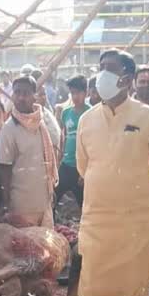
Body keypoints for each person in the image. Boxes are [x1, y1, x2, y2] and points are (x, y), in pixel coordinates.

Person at [76, 49, 149, 296]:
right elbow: (84, 167)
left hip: (133, 222)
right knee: (93, 293)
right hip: (96, 221)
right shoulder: (87, 119)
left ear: (127, 79)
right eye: (101, 66)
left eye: (110, 68)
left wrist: (137, 190)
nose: (102, 73)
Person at [0, 76, 60, 227]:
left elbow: (50, 156)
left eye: (25, 93)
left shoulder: (42, 121)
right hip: (22, 206)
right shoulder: (9, 128)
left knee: (47, 247)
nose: (20, 97)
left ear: (34, 96)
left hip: (44, 201)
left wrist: (51, 190)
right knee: (27, 249)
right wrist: (6, 203)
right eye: (17, 92)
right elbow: (4, 167)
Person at [55, 75, 88, 208]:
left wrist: (85, 172)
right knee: (55, 195)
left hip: (81, 167)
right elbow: (64, 136)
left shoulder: (90, 113)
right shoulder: (66, 113)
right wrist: (59, 158)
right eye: (72, 93)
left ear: (85, 93)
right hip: (67, 164)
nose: (75, 96)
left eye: (78, 92)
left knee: (84, 203)